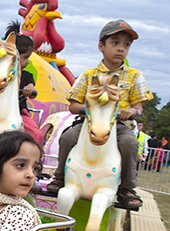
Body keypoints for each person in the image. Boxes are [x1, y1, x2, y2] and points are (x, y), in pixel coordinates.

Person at [46, 19, 153, 208]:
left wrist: (131, 111)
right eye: (115, 43)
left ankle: (126, 188)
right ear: (101, 46)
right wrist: (91, 110)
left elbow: (138, 107)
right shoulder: (88, 75)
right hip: (88, 122)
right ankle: (60, 177)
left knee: (129, 143)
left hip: (117, 125)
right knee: (68, 137)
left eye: (126, 45)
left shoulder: (134, 76)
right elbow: (73, 106)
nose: (121, 49)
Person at [5, 21, 44, 145]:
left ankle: (34, 160)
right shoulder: (2, 74)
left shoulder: (27, 75)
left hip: (19, 111)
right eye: (26, 57)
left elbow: (32, 90)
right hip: (0, 111)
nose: (27, 62)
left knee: (37, 134)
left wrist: (30, 88)